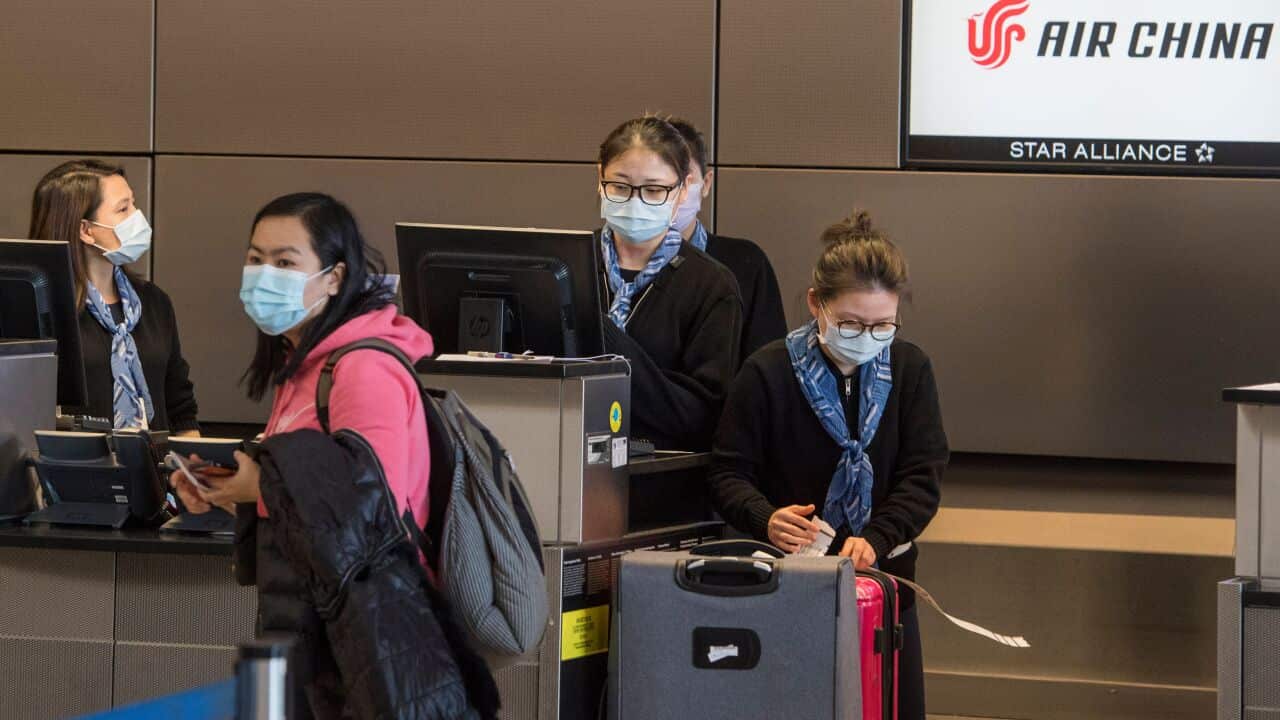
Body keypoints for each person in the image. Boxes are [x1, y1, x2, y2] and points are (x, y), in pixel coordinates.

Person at [170, 193, 493, 718]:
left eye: (284, 262)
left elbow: (370, 508)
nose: (262, 275)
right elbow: (309, 496)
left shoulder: (363, 368)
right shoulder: (303, 365)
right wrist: (230, 492)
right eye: (255, 259)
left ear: (335, 278)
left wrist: (262, 487)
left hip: (361, 634)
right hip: (306, 623)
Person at [708, 210, 948, 720]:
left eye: (883, 325)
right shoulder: (768, 370)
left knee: (884, 705)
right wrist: (765, 517)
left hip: (884, 585)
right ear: (817, 304)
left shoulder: (910, 370)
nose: (867, 336)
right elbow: (727, 472)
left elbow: (922, 477)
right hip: (787, 584)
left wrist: (878, 537)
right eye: (851, 323)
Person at [595, 114, 744, 452]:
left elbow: (702, 417)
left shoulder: (711, 285)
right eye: (619, 186)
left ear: (681, 191)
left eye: (653, 190)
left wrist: (607, 341)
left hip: (661, 480)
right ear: (599, 179)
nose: (635, 202)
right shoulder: (571, 262)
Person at [29, 160, 199, 434]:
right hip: (71, 471)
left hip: (151, 471)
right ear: (86, 230)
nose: (137, 216)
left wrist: (191, 471)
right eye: (123, 209)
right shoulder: (42, 311)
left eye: (133, 204)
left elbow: (179, 405)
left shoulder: (154, 303)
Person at [666, 117, 788, 361]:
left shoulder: (745, 263)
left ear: (706, 182)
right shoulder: (604, 262)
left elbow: (767, 369)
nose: (670, 189)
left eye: (683, 176)